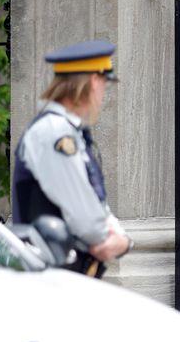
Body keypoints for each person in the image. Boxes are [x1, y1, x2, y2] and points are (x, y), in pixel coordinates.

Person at [12, 40, 132, 277]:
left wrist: (124, 240)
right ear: (93, 81)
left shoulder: (66, 131)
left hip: (62, 272)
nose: (103, 92)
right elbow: (87, 219)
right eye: (104, 83)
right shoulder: (55, 134)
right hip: (52, 274)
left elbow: (95, 203)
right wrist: (116, 241)